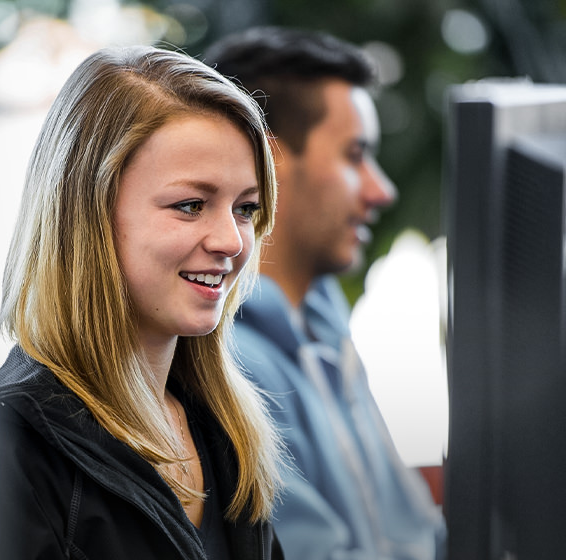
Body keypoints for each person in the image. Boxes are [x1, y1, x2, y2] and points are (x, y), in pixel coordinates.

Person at [0, 45, 285, 559]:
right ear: (88, 213)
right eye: (191, 206)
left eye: (246, 208)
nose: (232, 241)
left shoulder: (222, 427)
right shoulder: (6, 451)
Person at [204, 27, 446, 560]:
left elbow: (412, 531)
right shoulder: (227, 363)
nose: (382, 189)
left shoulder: (324, 328)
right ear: (268, 160)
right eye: (355, 155)